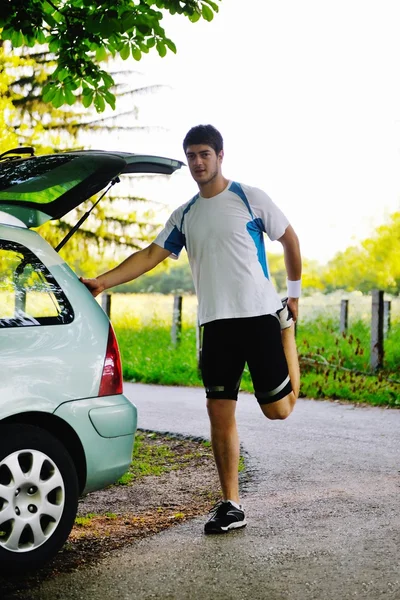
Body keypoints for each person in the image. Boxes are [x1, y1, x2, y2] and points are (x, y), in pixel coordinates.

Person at [81, 124, 302, 535]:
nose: (198, 162)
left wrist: (292, 297)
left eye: (204, 154)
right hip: (215, 325)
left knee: (279, 410)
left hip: (259, 317)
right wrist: (103, 281)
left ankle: (287, 333)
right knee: (219, 411)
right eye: (191, 156)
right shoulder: (185, 214)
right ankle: (231, 504)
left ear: (220, 155)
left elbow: (289, 239)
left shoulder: (249, 198)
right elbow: (151, 254)